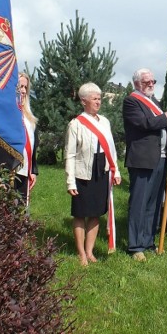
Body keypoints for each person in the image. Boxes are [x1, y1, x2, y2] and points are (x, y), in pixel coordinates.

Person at [123, 68, 167, 262]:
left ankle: (148, 240)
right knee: (139, 203)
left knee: (154, 204)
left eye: (153, 81)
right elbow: (145, 124)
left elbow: (160, 123)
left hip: (160, 158)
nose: (151, 84)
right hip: (142, 160)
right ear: (137, 83)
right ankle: (135, 245)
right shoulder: (131, 101)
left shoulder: (154, 102)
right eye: (146, 81)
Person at [65, 82, 121, 266]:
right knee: (81, 214)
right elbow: (70, 154)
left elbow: (111, 149)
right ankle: (81, 253)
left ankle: (90, 251)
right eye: (94, 99)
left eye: (99, 98)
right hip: (83, 173)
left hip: (102, 170)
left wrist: (116, 171)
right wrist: (70, 182)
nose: (98, 102)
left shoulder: (104, 121)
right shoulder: (75, 124)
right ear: (83, 101)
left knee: (96, 213)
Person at [15, 72, 39, 204]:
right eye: (20, 87)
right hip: (10, 168)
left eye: (26, 87)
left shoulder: (29, 116)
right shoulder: (6, 112)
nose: (23, 91)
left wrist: (33, 169)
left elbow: (33, 144)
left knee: (22, 208)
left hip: (25, 169)